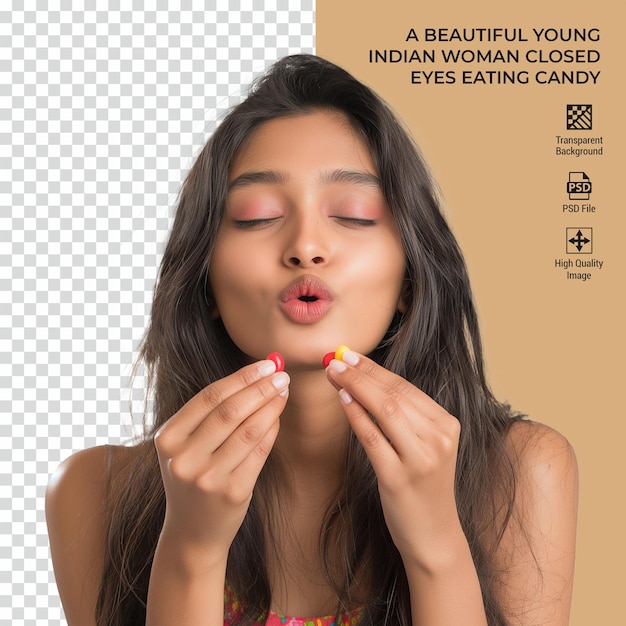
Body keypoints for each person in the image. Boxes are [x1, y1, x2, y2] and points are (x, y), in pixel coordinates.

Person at [45, 54, 578, 626]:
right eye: (256, 215)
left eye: (352, 214)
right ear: (205, 283)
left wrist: (437, 552)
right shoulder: (94, 496)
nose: (306, 245)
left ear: (410, 279)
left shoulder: (521, 475)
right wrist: (190, 553)